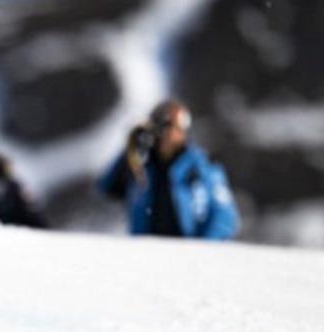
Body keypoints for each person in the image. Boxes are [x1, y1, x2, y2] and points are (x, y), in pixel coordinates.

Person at [98, 99, 239, 240]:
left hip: (188, 253)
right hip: (145, 252)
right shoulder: (141, 166)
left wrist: (201, 249)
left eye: (170, 126)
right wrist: (130, 149)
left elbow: (225, 218)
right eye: (159, 125)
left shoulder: (202, 167)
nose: (165, 133)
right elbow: (107, 188)